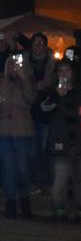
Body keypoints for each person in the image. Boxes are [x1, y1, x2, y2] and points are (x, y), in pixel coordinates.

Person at [46, 62, 81, 220]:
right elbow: (41, 111)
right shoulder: (52, 92)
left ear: (73, 73)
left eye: (67, 70)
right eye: (61, 70)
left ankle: (80, 208)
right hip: (61, 143)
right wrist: (56, 97)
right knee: (60, 180)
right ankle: (59, 207)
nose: (64, 73)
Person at [0, 51, 35, 218]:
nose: (14, 67)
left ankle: (25, 200)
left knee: (22, 168)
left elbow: (31, 98)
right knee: (7, 169)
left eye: (17, 64)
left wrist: (24, 79)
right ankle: (11, 203)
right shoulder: (1, 82)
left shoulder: (28, 81)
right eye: (11, 64)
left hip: (23, 132)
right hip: (4, 132)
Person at [27, 32, 55, 188]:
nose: (39, 46)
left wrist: (47, 86)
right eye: (36, 43)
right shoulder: (24, 61)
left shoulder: (52, 62)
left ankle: (43, 183)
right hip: (28, 111)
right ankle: (33, 182)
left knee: (43, 148)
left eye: (42, 43)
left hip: (45, 111)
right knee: (31, 150)